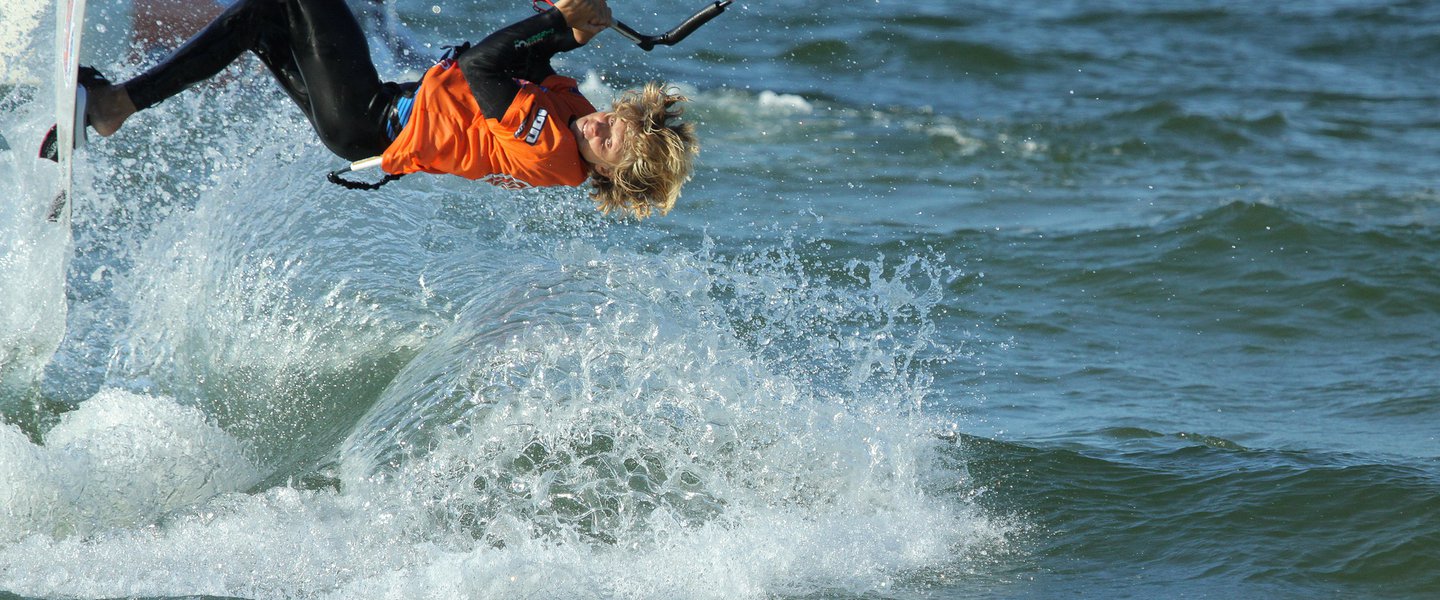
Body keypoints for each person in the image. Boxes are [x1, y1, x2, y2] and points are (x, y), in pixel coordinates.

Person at [82, 0, 698, 219]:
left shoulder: (554, 152)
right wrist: (571, 29)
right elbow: (528, 66)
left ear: (608, 173)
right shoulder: (575, 115)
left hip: (366, 117)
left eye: (607, 139)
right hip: (368, 118)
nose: (597, 123)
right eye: (611, 118)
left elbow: (485, 67)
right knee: (258, 16)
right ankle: (117, 105)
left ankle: (116, 105)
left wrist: (556, 25)